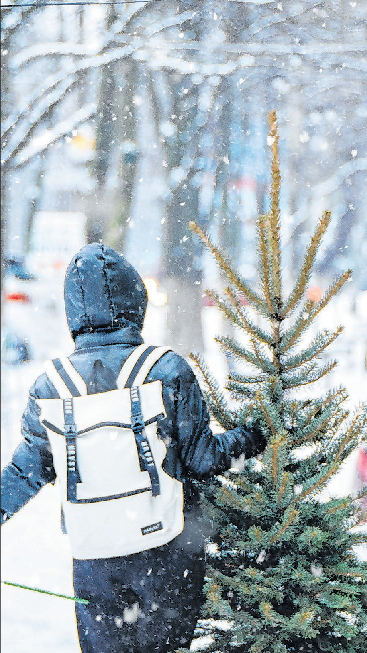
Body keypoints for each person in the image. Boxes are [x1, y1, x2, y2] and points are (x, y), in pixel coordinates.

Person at [0, 243, 267, 653]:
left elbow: (24, 473)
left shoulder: (51, 388)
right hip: (167, 552)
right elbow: (204, 459)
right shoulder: (165, 370)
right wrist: (254, 436)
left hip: (94, 558)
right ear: (135, 301)